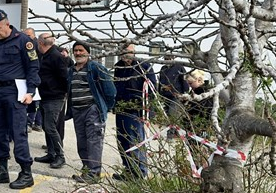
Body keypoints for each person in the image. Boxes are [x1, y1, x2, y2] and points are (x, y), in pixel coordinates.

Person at [0, 9, 41, 190]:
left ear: (7, 24)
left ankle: (26, 172)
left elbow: (33, 67)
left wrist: (31, 91)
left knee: (17, 132)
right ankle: (2, 169)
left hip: (15, 92)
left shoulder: (23, 41)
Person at [66, 42, 116, 183]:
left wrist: (104, 107)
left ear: (88, 52)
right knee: (82, 142)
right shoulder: (71, 70)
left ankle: (94, 174)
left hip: (92, 110)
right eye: (75, 50)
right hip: (77, 111)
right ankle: (87, 170)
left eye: (81, 50)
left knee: (94, 142)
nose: (78, 53)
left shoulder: (96, 68)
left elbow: (111, 91)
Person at [113, 44, 157, 180]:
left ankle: (139, 171)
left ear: (134, 52)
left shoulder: (143, 66)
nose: (125, 54)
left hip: (136, 110)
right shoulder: (118, 66)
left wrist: (149, 110)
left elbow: (152, 88)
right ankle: (129, 169)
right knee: (122, 140)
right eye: (122, 51)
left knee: (135, 140)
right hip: (121, 108)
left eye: (128, 51)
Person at [34, 33, 68, 169]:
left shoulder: (56, 57)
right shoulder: (46, 56)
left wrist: (62, 93)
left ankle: (60, 156)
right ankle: (51, 153)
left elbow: (64, 77)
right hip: (45, 96)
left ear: (41, 43)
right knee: (46, 127)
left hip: (55, 97)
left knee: (50, 127)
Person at [158, 52, 189, 131]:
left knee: (173, 114)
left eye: (168, 58)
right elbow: (160, 82)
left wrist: (185, 93)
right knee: (167, 115)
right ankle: (173, 132)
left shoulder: (179, 68)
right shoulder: (163, 69)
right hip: (165, 96)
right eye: (165, 58)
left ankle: (172, 133)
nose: (167, 60)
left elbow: (184, 80)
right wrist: (159, 93)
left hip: (176, 95)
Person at [184, 69, 214, 135]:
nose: (189, 86)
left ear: (199, 80)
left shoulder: (203, 92)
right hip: (195, 122)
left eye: (190, 83)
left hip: (199, 122)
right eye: (188, 84)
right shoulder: (194, 91)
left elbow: (204, 108)